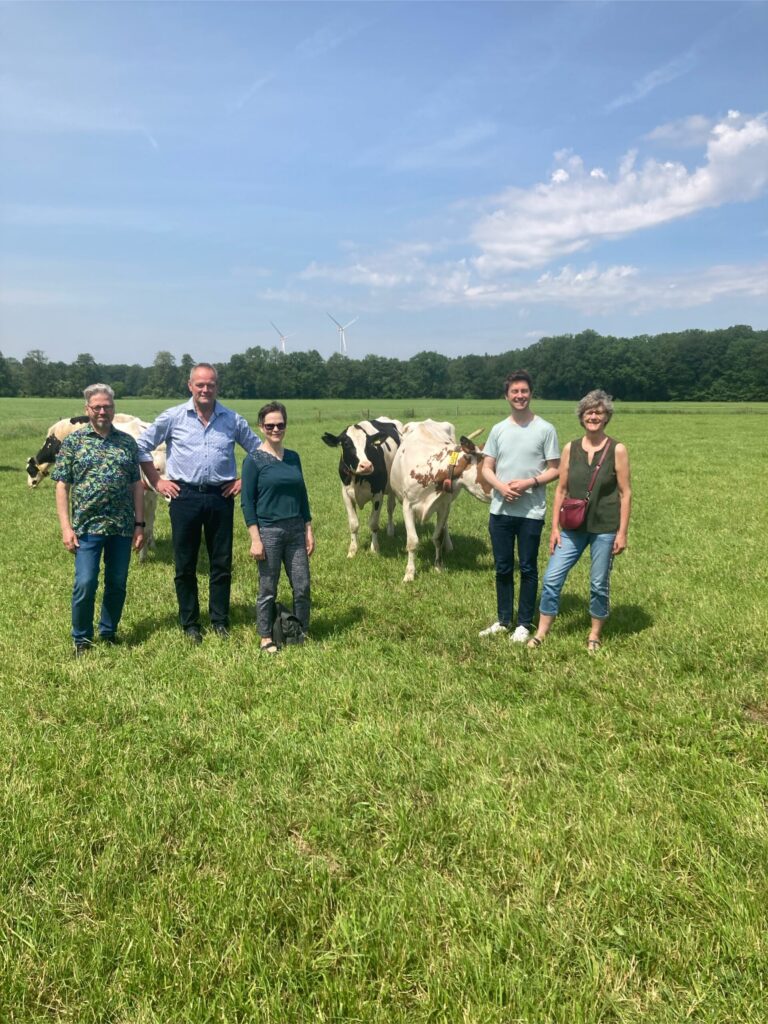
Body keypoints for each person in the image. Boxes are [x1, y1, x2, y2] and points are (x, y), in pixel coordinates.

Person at [137, 362, 262, 643]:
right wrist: (157, 481)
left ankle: (220, 620)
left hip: (221, 496)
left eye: (211, 385)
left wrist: (243, 481)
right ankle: (190, 623)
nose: (205, 389)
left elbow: (259, 451)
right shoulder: (173, 417)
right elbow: (141, 446)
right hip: (185, 497)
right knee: (185, 564)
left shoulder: (232, 419)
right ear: (190, 385)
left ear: (217, 387)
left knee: (221, 562)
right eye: (200, 384)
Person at [527, 389, 632, 653]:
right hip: (572, 528)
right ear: (581, 417)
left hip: (605, 528)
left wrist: (622, 533)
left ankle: (594, 634)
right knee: (551, 579)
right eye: (589, 412)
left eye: (598, 412)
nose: (593, 416)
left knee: (598, 584)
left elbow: (625, 492)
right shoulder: (570, 448)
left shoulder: (617, 449)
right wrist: (554, 529)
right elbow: (561, 490)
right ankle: (542, 632)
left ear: (606, 416)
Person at [52, 384, 145, 656]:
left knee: (117, 583)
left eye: (107, 406)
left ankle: (108, 630)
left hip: (121, 526)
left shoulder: (127, 442)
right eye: (97, 407)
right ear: (87, 410)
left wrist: (140, 525)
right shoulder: (74, 442)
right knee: (85, 582)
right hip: (86, 528)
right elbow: (61, 486)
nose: (103, 411)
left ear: (113, 408)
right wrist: (66, 527)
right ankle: (81, 638)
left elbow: (136, 484)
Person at [480, 370, 561, 642]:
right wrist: (501, 488)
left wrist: (530, 482)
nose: (520, 396)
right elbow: (487, 468)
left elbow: (555, 469)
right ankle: (504, 620)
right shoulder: (498, 430)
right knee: (502, 567)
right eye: (514, 392)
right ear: (507, 396)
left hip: (531, 513)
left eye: (524, 391)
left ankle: (524, 624)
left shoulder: (545, 429)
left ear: (531, 394)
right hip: (500, 512)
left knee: (527, 568)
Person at [240, 402, 314, 654]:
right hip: (268, 531)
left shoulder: (293, 457)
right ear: (261, 427)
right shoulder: (254, 460)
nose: (275, 429)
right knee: (267, 587)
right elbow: (247, 502)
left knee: (302, 585)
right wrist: (255, 538)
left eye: (280, 425)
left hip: (295, 529)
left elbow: (302, 494)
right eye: (270, 425)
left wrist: (308, 528)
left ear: (285, 426)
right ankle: (265, 636)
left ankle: (300, 630)